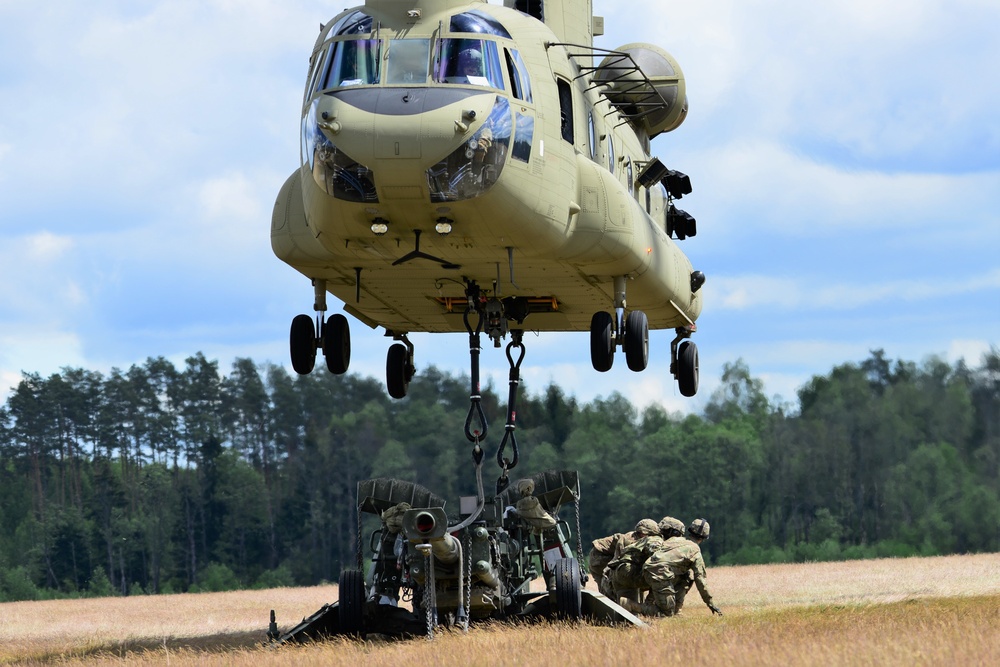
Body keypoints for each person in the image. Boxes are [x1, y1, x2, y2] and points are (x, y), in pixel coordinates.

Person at [622, 518, 723, 617]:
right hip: (659, 575)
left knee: (685, 576)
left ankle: (674, 611)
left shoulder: (674, 540)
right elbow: (700, 580)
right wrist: (710, 603)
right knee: (666, 613)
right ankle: (632, 605)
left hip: (645, 572)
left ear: (690, 531)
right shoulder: (695, 551)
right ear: (703, 538)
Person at [600, 516, 683, 603]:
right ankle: (651, 605)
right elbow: (656, 561)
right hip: (625, 574)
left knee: (626, 607)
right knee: (661, 575)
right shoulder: (651, 540)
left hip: (618, 574)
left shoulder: (629, 537)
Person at [588, 518, 659, 583]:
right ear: (643, 533)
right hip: (599, 556)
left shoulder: (639, 538)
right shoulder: (630, 540)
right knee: (615, 582)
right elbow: (619, 559)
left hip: (606, 554)